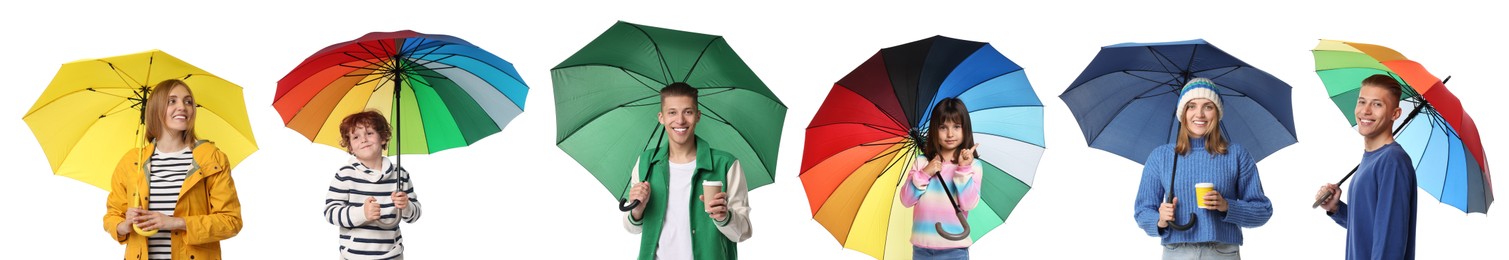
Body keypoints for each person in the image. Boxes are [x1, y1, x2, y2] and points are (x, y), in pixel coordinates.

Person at [1133, 78, 1272, 260]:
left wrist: (1227, 206)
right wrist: (1160, 220)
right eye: (1191, 106)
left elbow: (1262, 210)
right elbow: (1142, 211)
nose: (1199, 114)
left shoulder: (1237, 154)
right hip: (1176, 252)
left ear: (1217, 113)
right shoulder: (1161, 156)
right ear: (1182, 113)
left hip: (1222, 252)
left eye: (1208, 106)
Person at [104, 79, 243, 260]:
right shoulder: (132, 161)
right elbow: (112, 215)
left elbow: (231, 221)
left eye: (188, 101)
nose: (182, 107)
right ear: (155, 109)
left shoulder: (210, 159)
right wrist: (124, 225)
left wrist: (176, 223)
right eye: (172, 101)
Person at [623, 82, 752, 259]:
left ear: (698, 116)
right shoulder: (646, 163)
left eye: (688, 112)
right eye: (672, 112)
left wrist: (724, 216)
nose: (680, 120)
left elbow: (743, 231)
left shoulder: (726, 164)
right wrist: (638, 209)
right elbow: (632, 228)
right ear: (661, 117)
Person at [1315, 74, 1417, 260]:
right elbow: (1368, 226)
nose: (1366, 111)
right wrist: (1336, 208)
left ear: (1395, 114)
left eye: (1377, 104)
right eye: (1362, 102)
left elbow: (1390, 241)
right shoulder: (1371, 160)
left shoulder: (1392, 161)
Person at [323, 110, 422, 259]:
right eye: (356, 137)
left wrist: (406, 206)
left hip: (392, 255)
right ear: (350, 147)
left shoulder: (399, 175)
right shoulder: (345, 175)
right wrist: (362, 213)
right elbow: (331, 212)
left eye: (369, 133)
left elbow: (415, 215)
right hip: (354, 256)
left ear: (382, 138)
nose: (363, 139)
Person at [901, 97, 984, 260]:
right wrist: (925, 172)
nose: (950, 133)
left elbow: (968, 203)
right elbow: (906, 200)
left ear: (965, 129)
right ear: (934, 130)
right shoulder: (922, 162)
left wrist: (963, 169)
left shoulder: (973, 166)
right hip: (921, 250)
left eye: (956, 126)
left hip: (954, 250)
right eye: (943, 127)